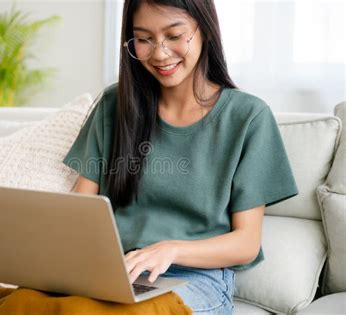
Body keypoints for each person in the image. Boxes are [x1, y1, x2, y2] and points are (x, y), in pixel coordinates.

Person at [63, 0, 298, 314]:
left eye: (174, 36)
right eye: (144, 39)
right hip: (113, 272)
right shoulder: (114, 105)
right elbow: (78, 212)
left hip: (195, 279)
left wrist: (170, 250)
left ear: (206, 31)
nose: (159, 53)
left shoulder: (248, 117)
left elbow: (246, 243)